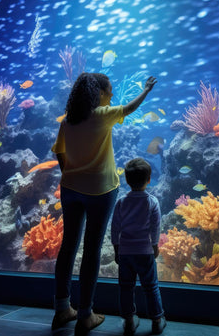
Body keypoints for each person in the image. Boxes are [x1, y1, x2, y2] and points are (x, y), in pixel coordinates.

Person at [50, 73, 157, 336]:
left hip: (70, 189)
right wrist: (146, 90)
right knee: (92, 249)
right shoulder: (102, 114)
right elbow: (130, 108)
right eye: (109, 91)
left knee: (68, 247)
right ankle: (85, 314)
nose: (111, 95)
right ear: (98, 93)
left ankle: (62, 308)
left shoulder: (68, 121)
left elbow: (60, 153)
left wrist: (70, 174)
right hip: (101, 189)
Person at [111, 158, 166, 335]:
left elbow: (115, 227)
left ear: (126, 180)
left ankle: (128, 321)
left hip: (126, 253)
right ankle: (157, 320)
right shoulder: (152, 202)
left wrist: (116, 248)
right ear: (149, 179)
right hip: (145, 252)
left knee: (126, 287)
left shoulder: (121, 202)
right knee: (150, 286)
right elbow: (155, 226)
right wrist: (155, 244)